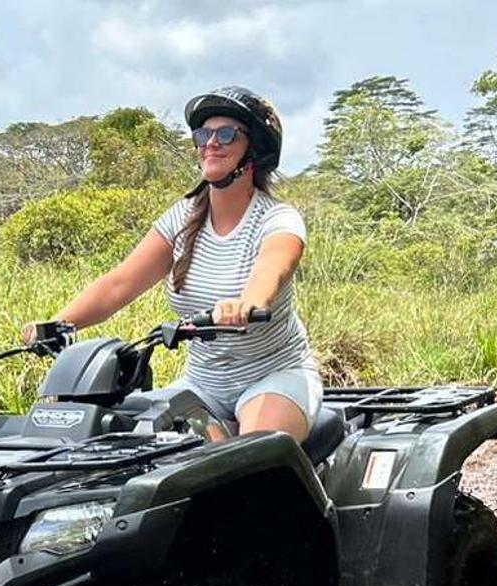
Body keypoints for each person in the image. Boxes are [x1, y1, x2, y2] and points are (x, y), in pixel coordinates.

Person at [22, 86, 318, 442]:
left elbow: (273, 267)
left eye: (226, 134)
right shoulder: (182, 219)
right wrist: (57, 324)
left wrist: (247, 303)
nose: (211, 142)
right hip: (202, 385)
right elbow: (119, 284)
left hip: (274, 376)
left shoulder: (277, 219)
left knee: (253, 456)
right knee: (120, 438)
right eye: (203, 134)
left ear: (253, 149)